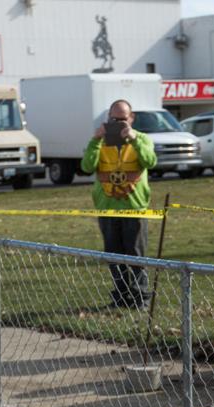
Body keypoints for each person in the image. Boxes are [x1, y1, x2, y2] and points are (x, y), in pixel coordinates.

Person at [80, 98, 158, 309]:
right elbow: (87, 166)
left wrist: (134, 140)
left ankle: (140, 298)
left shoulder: (142, 139)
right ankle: (121, 297)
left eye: (123, 119)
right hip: (107, 208)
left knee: (136, 255)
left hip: (134, 208)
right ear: (108, 119)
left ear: (131, 118)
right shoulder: (99, 141)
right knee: (114, 256)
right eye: (114, 120)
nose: (118, 123)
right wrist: (96, 140)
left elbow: (150, 162)